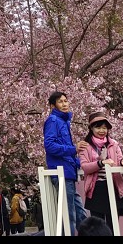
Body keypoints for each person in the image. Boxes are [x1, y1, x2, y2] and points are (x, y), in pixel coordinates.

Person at [43, 90, 87, 233]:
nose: (64, 104)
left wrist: (81, 163)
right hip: (62, 172)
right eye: (60, 101)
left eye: (66, 100)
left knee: (80, 214)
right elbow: (49, 146)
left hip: (69, 172)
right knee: (69, 216)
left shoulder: (64, 121)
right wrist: (73, 149)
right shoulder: (53, 121)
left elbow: (67, 150)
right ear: (52, 106)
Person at [78, 111, 123, 227]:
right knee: (99, 226)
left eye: (104, 128)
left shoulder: (113, 144)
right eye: (98, 127)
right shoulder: (85, 146)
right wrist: (101, 163)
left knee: (113, 225)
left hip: (114, 185)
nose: (102, 131)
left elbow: (119, 158)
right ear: (91, 128)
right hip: (97, 187)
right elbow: (85, 167)